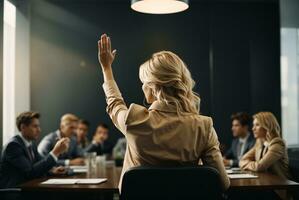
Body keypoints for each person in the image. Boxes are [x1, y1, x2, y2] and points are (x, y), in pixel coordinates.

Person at [97, 34, 230, 191]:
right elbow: (222, 183)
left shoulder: (134, 120)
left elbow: (115, 103)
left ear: (152, 86)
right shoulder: (204, 126)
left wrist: (106, 68)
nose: (142, 87)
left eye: (143, 83)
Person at [0, 111, 69, 188]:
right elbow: (30, 173)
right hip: (14, 192)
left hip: (27, 187)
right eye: (35, 126)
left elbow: (39, 163)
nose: (39, 130)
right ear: (23, 127)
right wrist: (55, 152)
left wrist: (52, 171)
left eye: (38, 126)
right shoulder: (13, 146)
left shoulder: (31, 144)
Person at [239, 112, 291, 179]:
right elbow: (242, 160)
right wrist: (252, 164)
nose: (253, 128)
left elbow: (259, 167)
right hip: (265, 182)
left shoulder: (278, 144)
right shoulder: (259, 143)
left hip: (280, 186)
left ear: (267, 126)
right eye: (253, 125)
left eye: (257, 125)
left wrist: (247, 164)